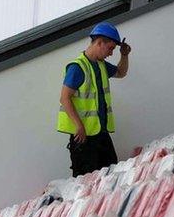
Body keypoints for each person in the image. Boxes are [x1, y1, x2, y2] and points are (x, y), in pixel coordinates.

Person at [56, 22, 131, 177]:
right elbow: (64, 98)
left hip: (101, 134)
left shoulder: (101, 65)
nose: (111, 53)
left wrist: (124, 55)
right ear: (99, 43)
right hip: (83, 138)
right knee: (86, 185)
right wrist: (79, 126)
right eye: (110, 48)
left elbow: (121, 72)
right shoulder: (77, 67)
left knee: (112, 176)